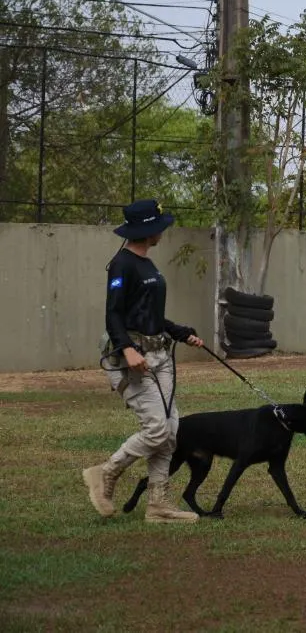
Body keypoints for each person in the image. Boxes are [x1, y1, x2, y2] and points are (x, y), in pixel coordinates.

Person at [82, 199, 204, 524]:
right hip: (132, 359)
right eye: (159, 225)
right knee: (156, 430)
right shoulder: (121, 264)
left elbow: (150, 315)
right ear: (148, 230)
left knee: (171, 430)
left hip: (159, 355)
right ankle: (106, 473)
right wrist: (127, 349)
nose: (163, 230)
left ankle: (158, 504)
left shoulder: (148, 264)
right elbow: (113, 314)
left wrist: (180, 332)